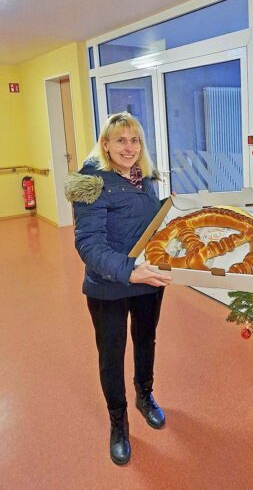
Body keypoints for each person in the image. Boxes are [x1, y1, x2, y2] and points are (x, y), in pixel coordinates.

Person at [65, 112, 171, 466]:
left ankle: (145, 395)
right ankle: (118, 422)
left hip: (147, 281)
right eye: (121, 141)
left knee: (145, 341)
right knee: (111, 355)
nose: (129, 148)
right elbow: (89, 245)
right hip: (107, 286)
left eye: (135, 140)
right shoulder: (92, 183)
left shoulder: (146, 178)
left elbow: (149, 225)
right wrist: (130, 272)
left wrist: (171, 216)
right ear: (106, 145)